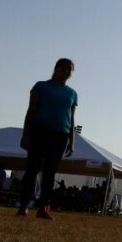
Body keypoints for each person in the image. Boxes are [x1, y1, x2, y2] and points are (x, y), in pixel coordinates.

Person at [17, 59, 78, 220]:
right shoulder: (41, 86)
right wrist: (26, 133)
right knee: (32, 169)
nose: (66, 72)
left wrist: (72, 141)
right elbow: (31, 111)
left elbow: (71, 118)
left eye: (69, 69)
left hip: (60, 134)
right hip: (40, 130)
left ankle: (43, 207)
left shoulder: (72, 93)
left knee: (50, 173)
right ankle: (23, 205)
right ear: (56, 68)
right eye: (63, 68)